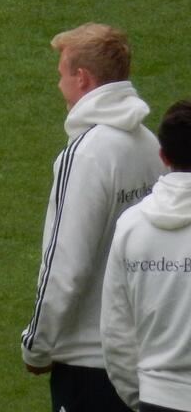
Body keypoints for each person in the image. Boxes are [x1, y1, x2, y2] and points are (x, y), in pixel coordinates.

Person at [20, 23, 167, 411]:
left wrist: (36, 346)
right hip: (146, 360)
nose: (59, 86)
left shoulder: (85, 154)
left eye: (61, 75)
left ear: (82, 78)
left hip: (87, 366)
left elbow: (64, 267)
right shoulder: (151, 146)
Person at [101, 99, 191, 412]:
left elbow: (115, 330)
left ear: (163, 155)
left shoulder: (131, 225)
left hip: (156, 398)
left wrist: (140, 397)